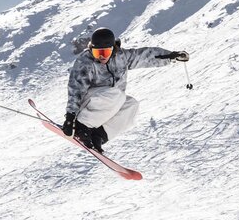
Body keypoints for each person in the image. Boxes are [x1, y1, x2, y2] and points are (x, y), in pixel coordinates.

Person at [61, 27, 189, 153]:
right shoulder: (86, 62)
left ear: (112, 49)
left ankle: (98, 135)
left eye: (104, 52)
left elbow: (145, 57)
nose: (100, 57)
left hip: (109, 101)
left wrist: (171, 57)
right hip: (86, 105)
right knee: (117, 95)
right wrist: (70, 118)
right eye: (96, 52)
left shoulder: (121, 57)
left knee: (131, 105)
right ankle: (81, 127)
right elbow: (76, 88)